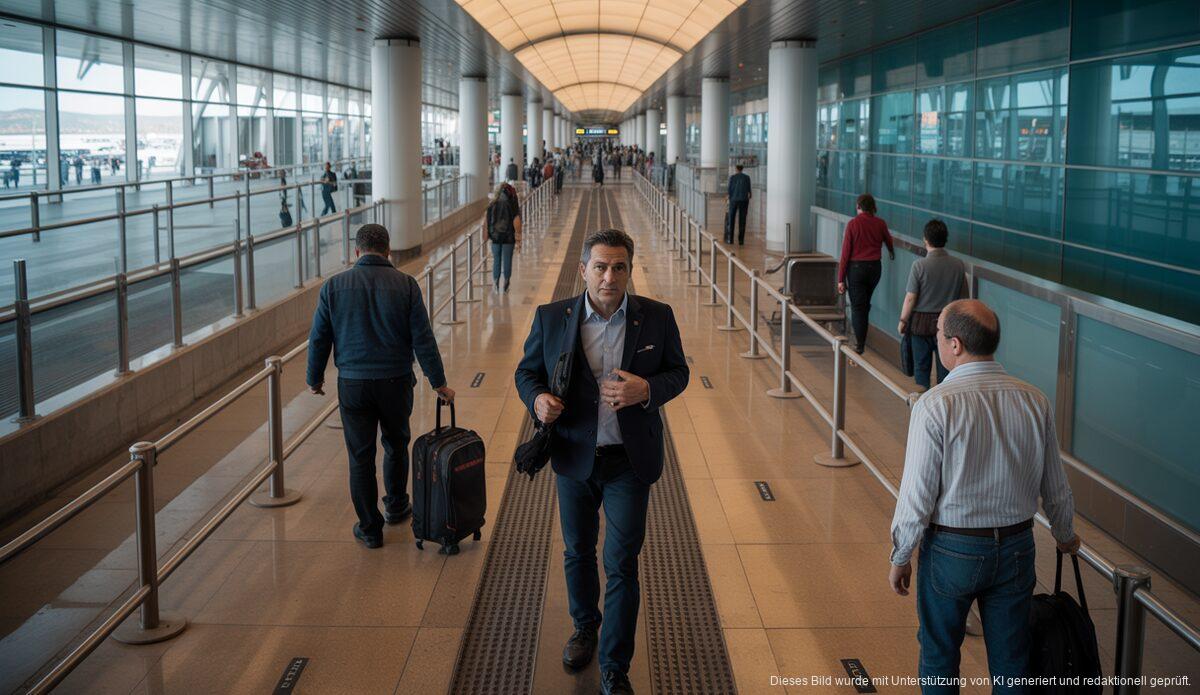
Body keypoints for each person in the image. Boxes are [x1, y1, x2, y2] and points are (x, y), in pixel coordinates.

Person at [515, 229, 689, 695]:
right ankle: (584, 627)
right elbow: (526, 371)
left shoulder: (657, 318)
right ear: (583, 270)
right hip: (574, 455)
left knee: (622, 562)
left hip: (629, 461)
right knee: (577, 552)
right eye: (600, 267)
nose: (609, 277)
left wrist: (647, 390)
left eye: (619, 268)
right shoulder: (553, 317)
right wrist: (537, 401)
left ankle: (615, 665)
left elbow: (679, 372)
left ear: (630, 270)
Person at [888, 299, 1080, 695]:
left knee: (940, 654)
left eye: (939, 334)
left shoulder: (935, 405)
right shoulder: (1034, 400)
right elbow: (1055, 486)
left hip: (951, 549)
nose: (936, 340)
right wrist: (1064, 534)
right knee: (1012, 661)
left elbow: (917, 495)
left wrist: (901, 555)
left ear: (954, 345)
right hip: (1016, 547)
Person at [306, 224, 455, 549]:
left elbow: (319, 337)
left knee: (360, 457)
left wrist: (314, 378)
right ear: (388, 250)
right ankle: (398, 506)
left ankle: (370, 529)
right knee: (396, 444)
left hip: (354, 384)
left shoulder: (333, 286)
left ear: (357, 252)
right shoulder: (406, 285)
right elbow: (423, 339)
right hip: (395, 381)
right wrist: (438, 382)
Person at [899, 219, 968, 390]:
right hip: (947, 324)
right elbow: (964, 298)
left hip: (920, 326)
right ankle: (943, 406)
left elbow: (910, 298)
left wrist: (903, 320)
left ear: (925, 240)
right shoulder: (958, 265)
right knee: (945, 371)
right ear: (945, 239)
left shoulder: (919, 266)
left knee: (921, 369)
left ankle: (922, 405)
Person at [837, 193, 895, 354]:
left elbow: (845, 254)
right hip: (875, 269)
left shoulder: (853, 224)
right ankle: (861, 335)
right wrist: (891, 252)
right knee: (864, 304)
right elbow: (888, 241)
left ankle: (860, 345)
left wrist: (840, 279)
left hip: (856, 270)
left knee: (857, 307)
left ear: (858, 207)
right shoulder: (880, 223)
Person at [486, 183, 522, 292]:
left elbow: (487, 222)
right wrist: (519, 237)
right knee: (507, 260)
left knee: (496, 259)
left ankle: (496, 282)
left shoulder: (492, 204)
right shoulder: (512, 204)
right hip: (508, 237)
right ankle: (506, 282)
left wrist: (487, 235)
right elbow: (516, 221)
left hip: (495, 237)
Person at [726, 164, 752, 245]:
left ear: (736, 169)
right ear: (742, 169)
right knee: (742, 220)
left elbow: (729, 190)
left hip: (733, 200)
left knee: (731, 219)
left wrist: (727, 198)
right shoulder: (747, 177)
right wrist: (748, 196)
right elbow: (749, 191)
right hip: (744, 200)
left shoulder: (732, 177)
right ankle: (741, 240)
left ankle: (730, 239)